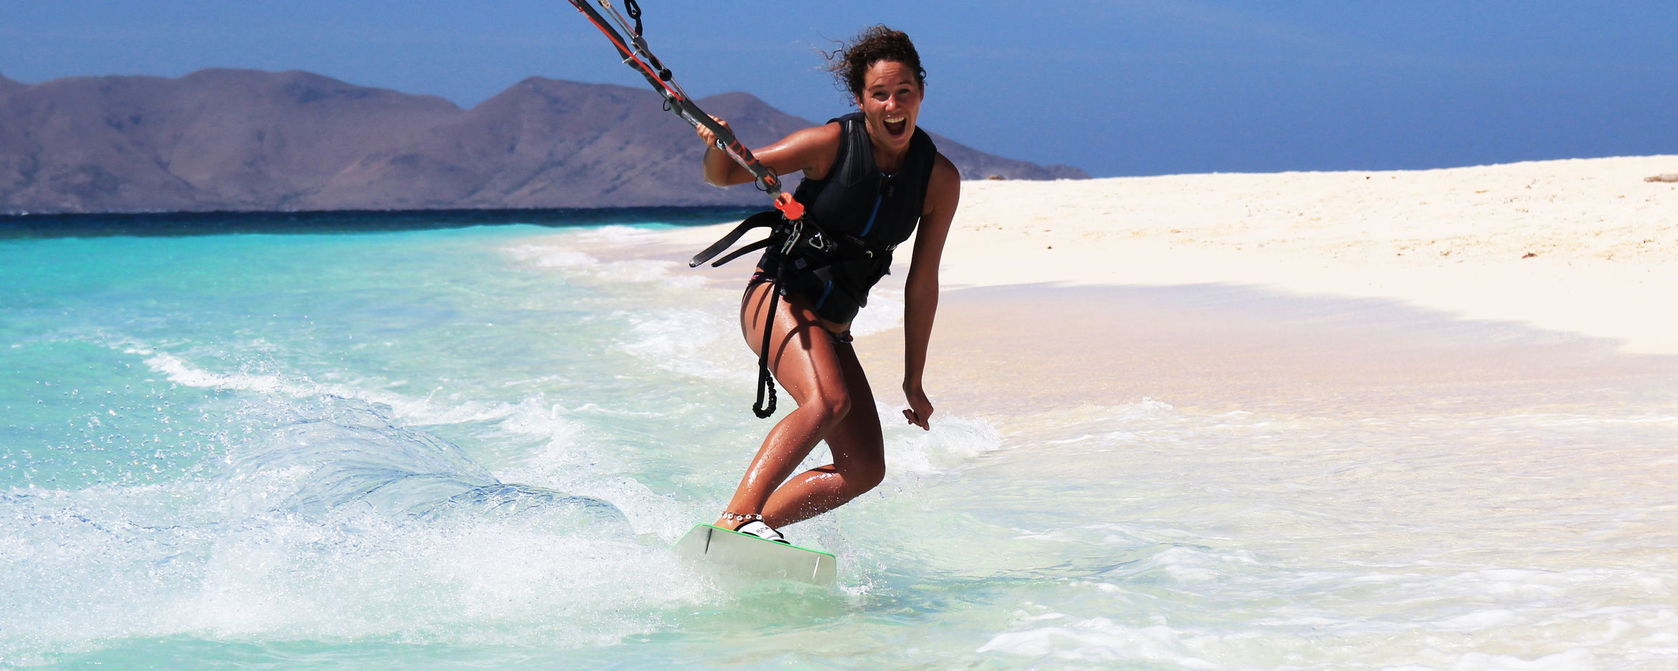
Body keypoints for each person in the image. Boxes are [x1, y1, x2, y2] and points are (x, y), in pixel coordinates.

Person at [694, 25, 960, 543]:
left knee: (863, 469)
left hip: (832, 330)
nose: (892, 104)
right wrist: (718, 146)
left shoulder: (938, 179)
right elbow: (724, 174)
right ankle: (734, 519)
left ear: (921, 94)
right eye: (879, 94)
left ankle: (752, 534)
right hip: (777, 299)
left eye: (904, 91)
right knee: (827, 403)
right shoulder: (828, 144)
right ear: (862, 100)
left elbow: (922, 283)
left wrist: (914, 380)